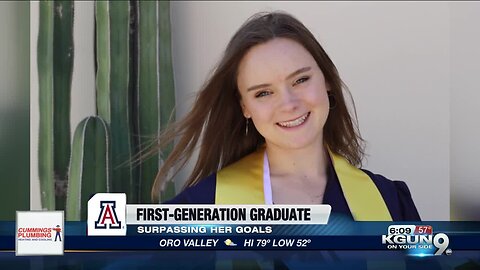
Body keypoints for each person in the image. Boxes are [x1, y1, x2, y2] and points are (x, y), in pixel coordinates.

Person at [151, 11, 420, 221]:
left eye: (300, 79)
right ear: (245, 107)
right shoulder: (204, 209)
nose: (289, 104)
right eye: (263, 93)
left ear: (327, 79)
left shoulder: (389, 202)